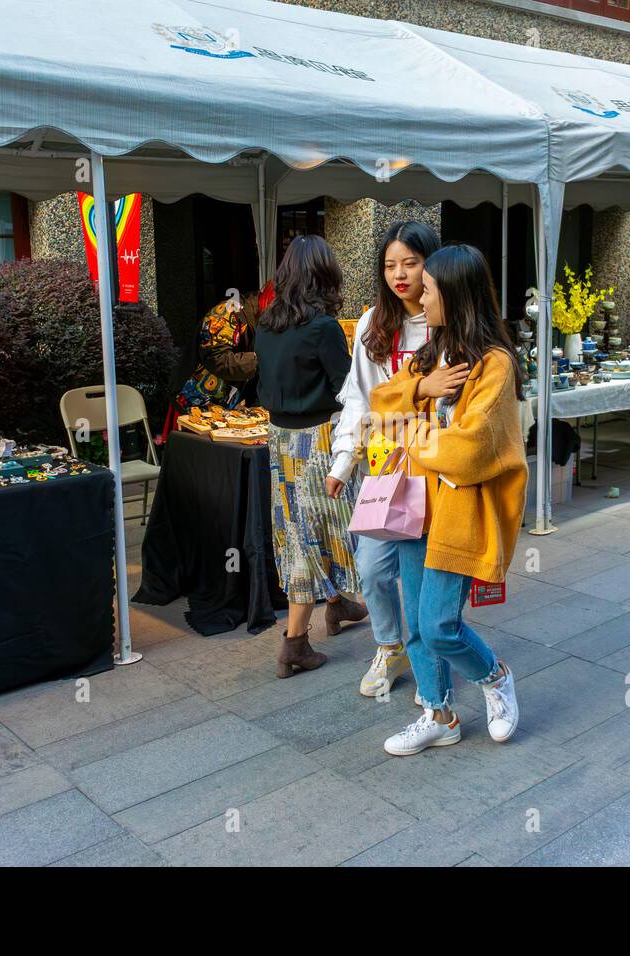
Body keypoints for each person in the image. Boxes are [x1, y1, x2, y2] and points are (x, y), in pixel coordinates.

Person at [369, 244, 526, 756]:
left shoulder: (495, 366)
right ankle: (439, 714)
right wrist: (421, 388)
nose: (419, 295)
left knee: (439, 625)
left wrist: (412, 432)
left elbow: (470, 449)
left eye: (429, 289)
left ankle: (495, 675)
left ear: (454, 296)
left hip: (460, 513)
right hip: (417, 507)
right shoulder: (432, 356)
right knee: (417, 623)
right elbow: (380, 405)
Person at [327, 220, 440, 699]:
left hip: (434, 465)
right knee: (372, 567)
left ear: (429, 266)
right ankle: (389, 646)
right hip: (384, 465)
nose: (400, 274)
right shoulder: (374, 322)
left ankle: (429, 662)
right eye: (391, 264)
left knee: (424, 573)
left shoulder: (445, 320)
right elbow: (359, 397)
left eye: (410, 263)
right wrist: (342, 461)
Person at [254, 235, 367, 678]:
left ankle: (338, 605)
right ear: (325, 274)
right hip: (319, 439)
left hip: (279, 439)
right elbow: (348, 391)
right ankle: (294, 644)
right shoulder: (324, 328)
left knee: (301, 527)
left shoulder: (265, 323)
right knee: (322, 529)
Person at [165, 283, 272, 439]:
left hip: (222, 409)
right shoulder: (228, 311)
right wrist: (263, 359)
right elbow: (217, 359)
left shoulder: (259, 321)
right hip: (192, 401)